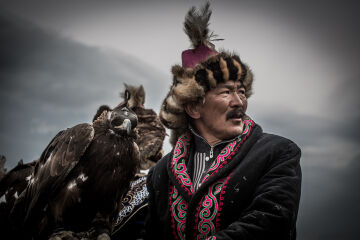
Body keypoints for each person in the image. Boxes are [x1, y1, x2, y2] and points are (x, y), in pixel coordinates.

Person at [145, 2, 301, 240]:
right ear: (194, 107)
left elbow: (271, 222)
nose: (239, 101)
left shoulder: (278, 153)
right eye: (226, 92)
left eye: (241, 91)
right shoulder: (160, 173)